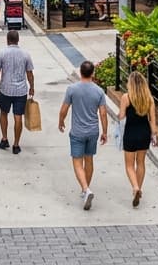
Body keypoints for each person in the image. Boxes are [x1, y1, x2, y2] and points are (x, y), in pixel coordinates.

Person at [58, 60, 108, 211]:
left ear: (80, 73)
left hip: (77, 132)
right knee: (89, 159)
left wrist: (61, 121)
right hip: (93, 131)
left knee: (77, 162)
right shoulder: (99, 91)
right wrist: (105, 131)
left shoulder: (72, 89)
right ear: (93, 73)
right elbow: (103, 113)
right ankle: (85, 189)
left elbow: (64, 109)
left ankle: (86, 189)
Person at [0, 30, 35, 154]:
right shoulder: (26, 54)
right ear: (18, 40)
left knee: (4, 113)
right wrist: (32, 87)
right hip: (20, 91)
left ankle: (4, 138)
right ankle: (16, 144)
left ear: (7, 40)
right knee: (18, 117)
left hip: (5, 89)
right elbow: (30, 73)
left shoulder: (1, 53)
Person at [119, 70, 156, 207]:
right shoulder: (149, 99)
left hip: (130, 132)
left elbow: (122, 116)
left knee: (129, 164)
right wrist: (154, 134)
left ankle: (135, 187)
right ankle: (138, 188)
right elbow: (152, 120)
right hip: (144, 132)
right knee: (141, 162)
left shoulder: (126, 97)